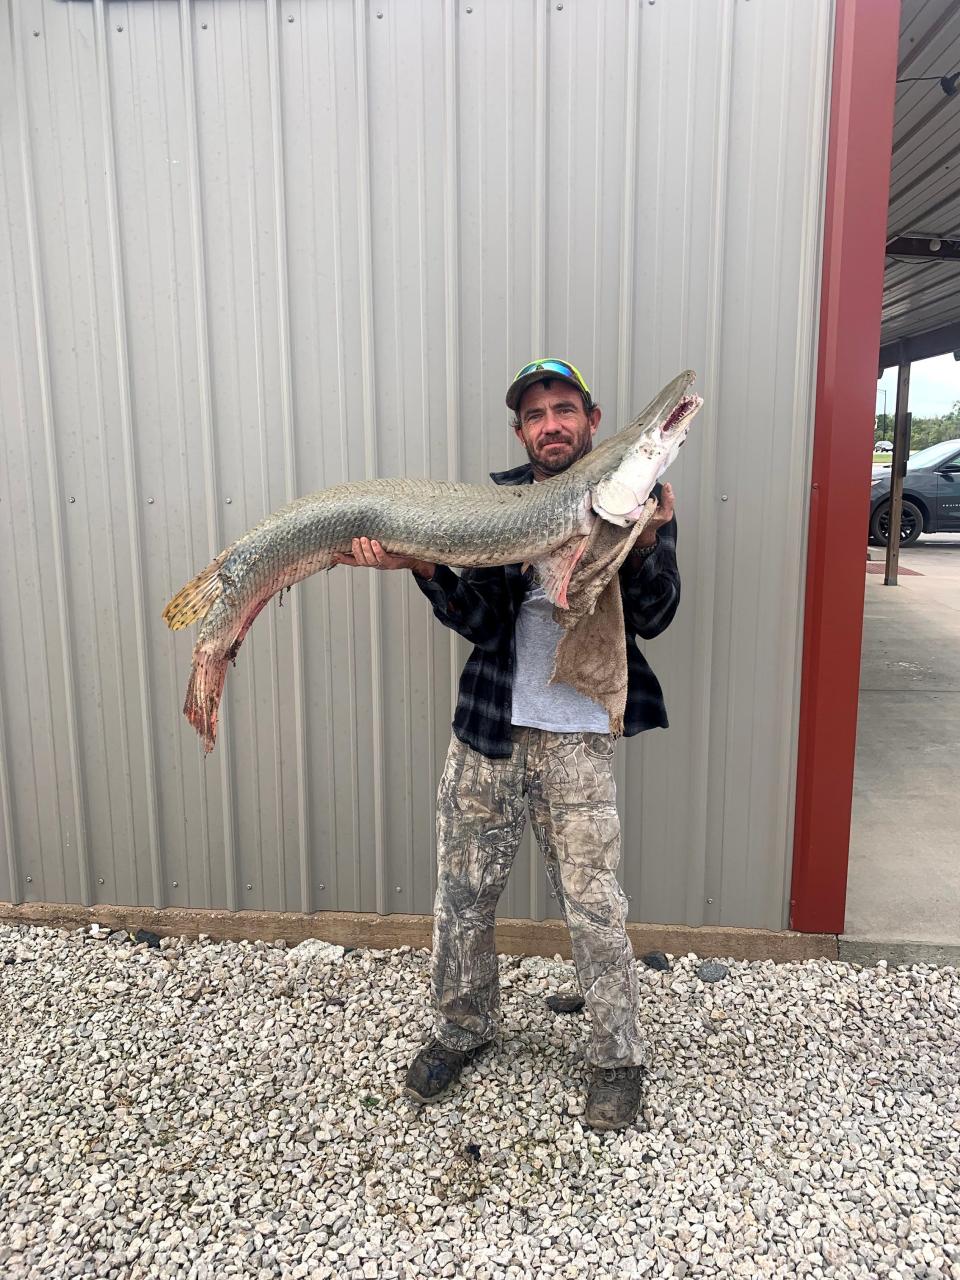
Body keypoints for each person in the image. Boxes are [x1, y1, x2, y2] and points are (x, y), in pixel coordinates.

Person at [332, 358, 680, 1131]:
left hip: (579, 743)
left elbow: (655, 617)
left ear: (592, 420)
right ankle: (462, 1028)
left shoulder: (640, 501)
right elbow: (483, 623)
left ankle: (617, 1057)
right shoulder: (502, 507)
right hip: (488, 735)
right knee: (461, 899)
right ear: (521, 431)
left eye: (563, 408)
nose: (550, 424)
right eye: (534, 415)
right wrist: (423, 563)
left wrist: (650, 541)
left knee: (595, 910)